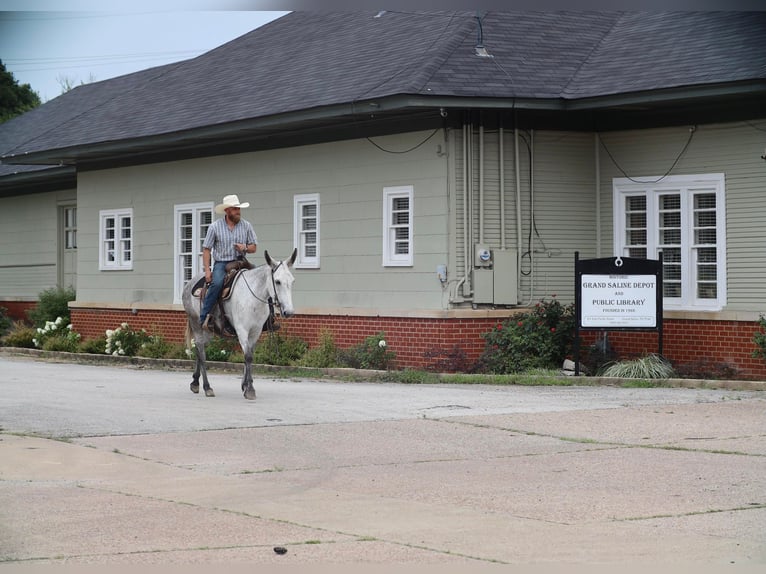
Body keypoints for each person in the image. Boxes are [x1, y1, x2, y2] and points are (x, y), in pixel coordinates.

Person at [199, 194, 258, 330]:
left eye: (238, 209)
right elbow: (207, 249)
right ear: (227, 211)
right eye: (235, 209)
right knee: (217, 283)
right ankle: (204, 317)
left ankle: (268, 318)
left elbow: (254, 247)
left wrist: (244, 247)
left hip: (240, 261)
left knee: (261, 278)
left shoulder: (246, 225)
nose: (238, 212)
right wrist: (207, 270)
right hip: (222, 263)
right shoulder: (214, 227)